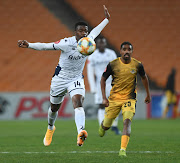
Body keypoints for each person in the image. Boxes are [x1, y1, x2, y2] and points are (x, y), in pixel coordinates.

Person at [17, 5, 110, 147]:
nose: (84, 33)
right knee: (54, 108)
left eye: (85, 31)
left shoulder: (88, 41)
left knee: (78, 103)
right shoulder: (66, 43)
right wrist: (29, 44)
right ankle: (50, 128)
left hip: (76, 78)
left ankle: (81, 132)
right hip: (60, 79)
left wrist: (106, 19)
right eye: (81, 31)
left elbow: (96, 31)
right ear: (75, 32)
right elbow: (45, 46)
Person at [99, 42, 151, 157]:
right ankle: (103, 126)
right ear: (121, 51)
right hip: (114, 99)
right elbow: (102, 79)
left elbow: (144, 78)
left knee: (127, 122)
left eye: (129, 49)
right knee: (106, 125)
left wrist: (148, 94)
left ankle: (122, 149)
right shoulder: (113, 64)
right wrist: (104, 98)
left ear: (132, 52)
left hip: (129, 99)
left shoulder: (137, 65)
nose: (127, 51)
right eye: (124, 49)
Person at [87, 37, 120, 135]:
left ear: (105, 44)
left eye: (103, 43)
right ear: (97, 45)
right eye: (100, 43)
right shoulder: (92, 56)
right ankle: (102, 126)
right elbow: (90, 72)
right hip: (99, 84)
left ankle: (114, 125)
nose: (102, 45)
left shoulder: (111, 54)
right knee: (101, 106)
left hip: (111, 83)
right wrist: (92, 87)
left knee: (114, 105)